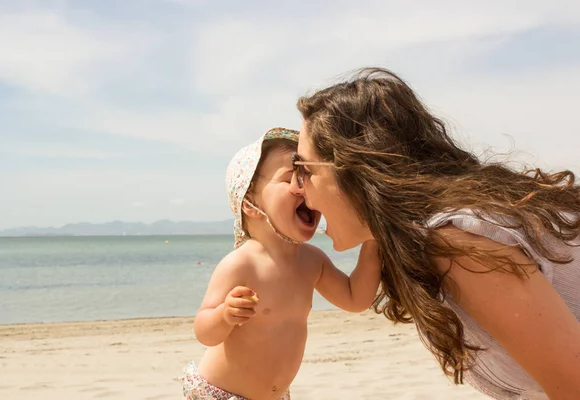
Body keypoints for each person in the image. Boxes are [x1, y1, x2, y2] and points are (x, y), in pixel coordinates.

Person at [290, 68, 580, 400]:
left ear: (355, 170)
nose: (294, 189)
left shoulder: (457, 243)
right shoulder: (432, 239)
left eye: (304, 170)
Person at [181, 127, 381, 400]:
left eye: (307, 176)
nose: (303, 187)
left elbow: (355, 298)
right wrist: (225, 314)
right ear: (250, 203)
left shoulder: (312, 261)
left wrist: (373, 239)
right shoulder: (242, 264)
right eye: (291, 178)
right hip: (220, 393)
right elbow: (204, 331)